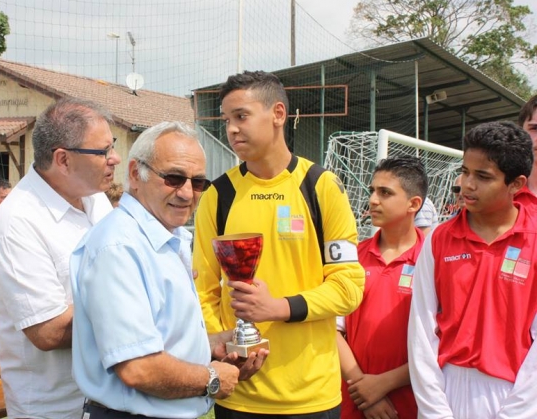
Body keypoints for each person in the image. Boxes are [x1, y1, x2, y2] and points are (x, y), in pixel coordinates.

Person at [193, 71, 365, 418]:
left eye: (241, 116)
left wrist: (280, 307)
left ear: (278, 114)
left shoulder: (321, 187)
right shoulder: (218, 195)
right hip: (240, 394)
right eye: (227, 120)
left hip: (312, 396)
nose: (232, 129)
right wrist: (219, 342)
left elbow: (349, 286)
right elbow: (203, 289)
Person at [71, 121, 267, 418]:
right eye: (174, 178)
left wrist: (212, 346)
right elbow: (138, 368)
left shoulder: (162, 238)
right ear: (136, 174)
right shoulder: (119, 247)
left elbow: (160, 338)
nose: (188, 193)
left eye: (198, 182)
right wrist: (212, 378)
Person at [0, 97, 119, 419]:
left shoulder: (96, 200)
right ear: (63, 160)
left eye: (111, 146)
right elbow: (48, 331)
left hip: (106, 396)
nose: (114, 158)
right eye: (103, 152)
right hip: (58, 409)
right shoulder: (17, 221)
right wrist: (132, 303)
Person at [408, 121, 537, 418]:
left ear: (516, 184)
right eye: (465, 171)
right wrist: (435, 411)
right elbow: (422, 329)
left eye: (483, 176)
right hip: (444, 390)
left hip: (515, 395)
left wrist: (518, 412)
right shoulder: (439, 238)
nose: (467, 184)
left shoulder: (534, 238)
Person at [337, 156, 427, 419]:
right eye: (372, 191)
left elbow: (442, 344)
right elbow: (331, 329)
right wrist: (362, 387)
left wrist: (384, 383)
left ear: (414, 204)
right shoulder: (351, 256)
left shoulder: (432, 261)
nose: (373, 200)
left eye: (385, 193)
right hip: (354, 400)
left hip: (411, 402)